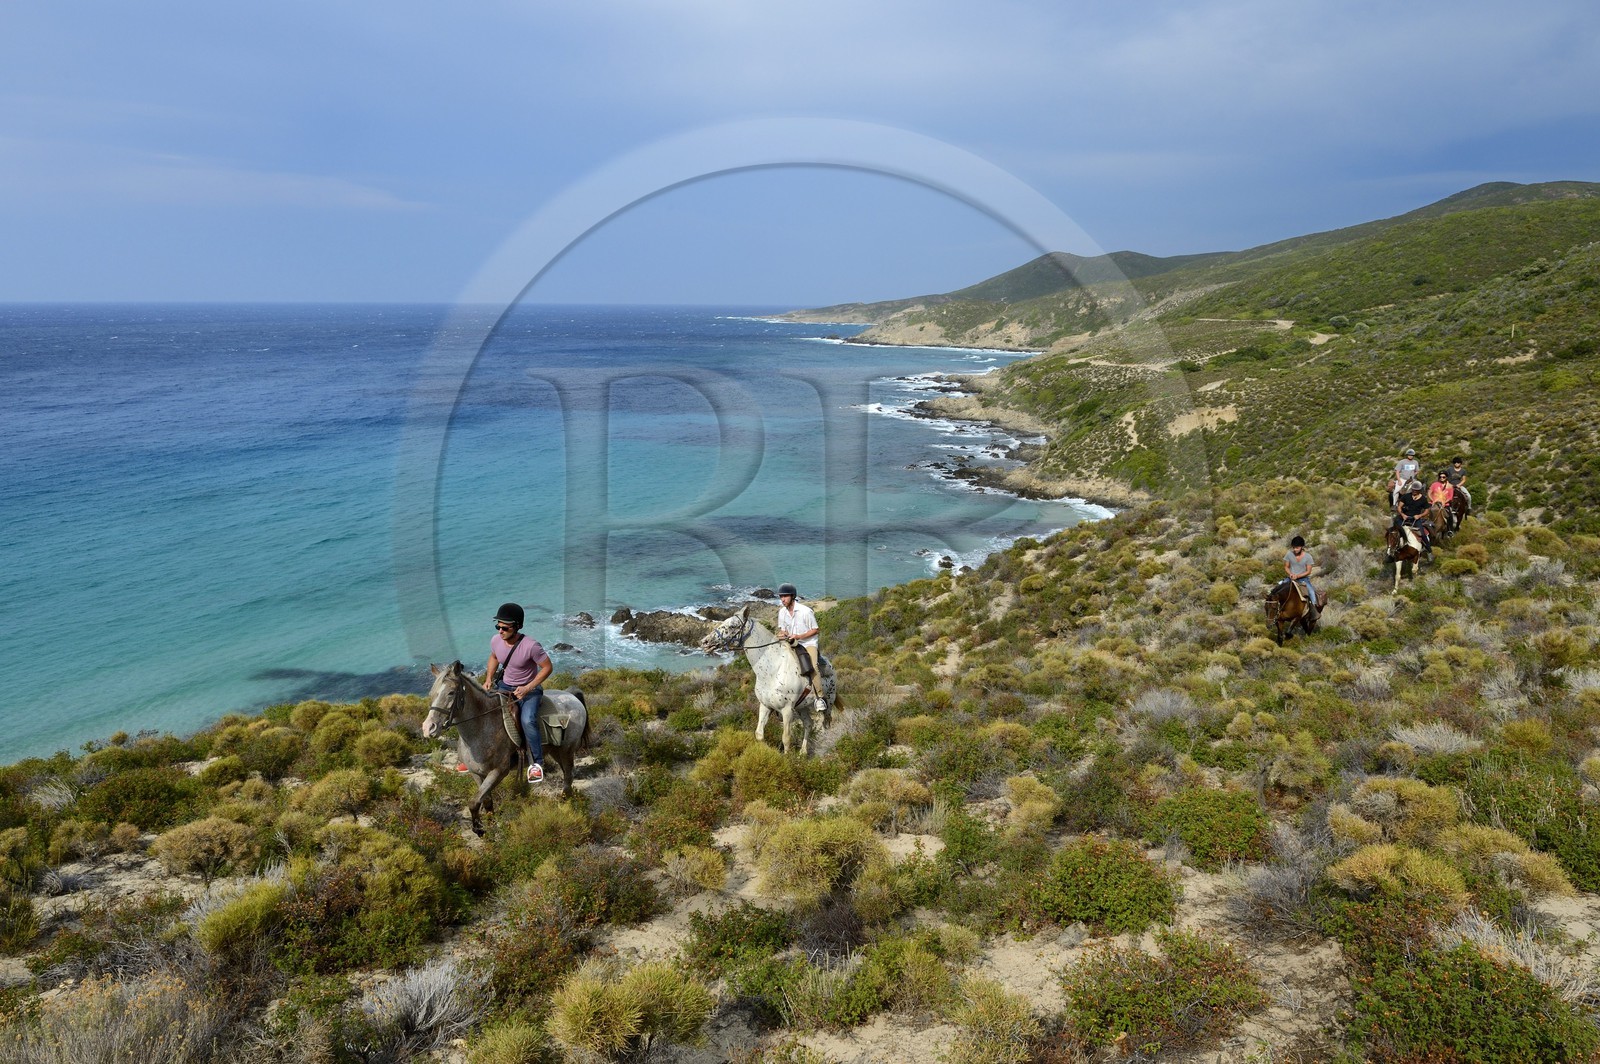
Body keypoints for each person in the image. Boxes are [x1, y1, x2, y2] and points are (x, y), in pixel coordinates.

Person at [485, 602, 553, 783]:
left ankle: (537, 764)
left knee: (527, 720)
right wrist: (488, 678)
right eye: (498, 626)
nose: (500, 631)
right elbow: (494, 657)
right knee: (487, 715)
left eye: (505, 627)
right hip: (504, 687)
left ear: (517, 627)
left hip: (529, 690)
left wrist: (528, 687)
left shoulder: (531, 646)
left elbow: (547, 667)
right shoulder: (495, 640)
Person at [775, 583, 820, 686]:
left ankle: (820, 697)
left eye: (785, 596)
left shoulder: (806, 611)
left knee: (813, 666)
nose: (782, 599)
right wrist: (782, 634)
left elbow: (816, 630)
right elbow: (783, 630)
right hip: (791, 642)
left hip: (808, 643)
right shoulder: (782, 612)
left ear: (793, 596)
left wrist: (799, 636)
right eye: (781, 597)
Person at [1283, 535, 1319, 610]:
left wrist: (1298, 576)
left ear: (1302, 547)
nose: (1295, 549)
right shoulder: (1289, 554)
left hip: (1303, 579)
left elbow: (1308, 571)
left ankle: (1314, 610)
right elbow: (1286, 566)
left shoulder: (1308, 557)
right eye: (1293, 547)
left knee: (1311, 592)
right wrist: (1290, 574)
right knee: (1277, 588)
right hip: (1291, 578)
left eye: (1297, 548)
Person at [1396, 480, 1433, 550]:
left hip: (1415, 519)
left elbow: (1427, 510)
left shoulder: (1423, 499)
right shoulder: (1406, 496)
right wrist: (1402, 514)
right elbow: (1399, 506)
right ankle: (1392, 551)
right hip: (1404, 517)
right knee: (1395, 531)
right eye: (1413, 489)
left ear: (1420, 490)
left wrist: (1419, 516)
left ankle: (1429, 551)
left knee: (1422, 533)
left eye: (1416, 490)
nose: (1414, 491)